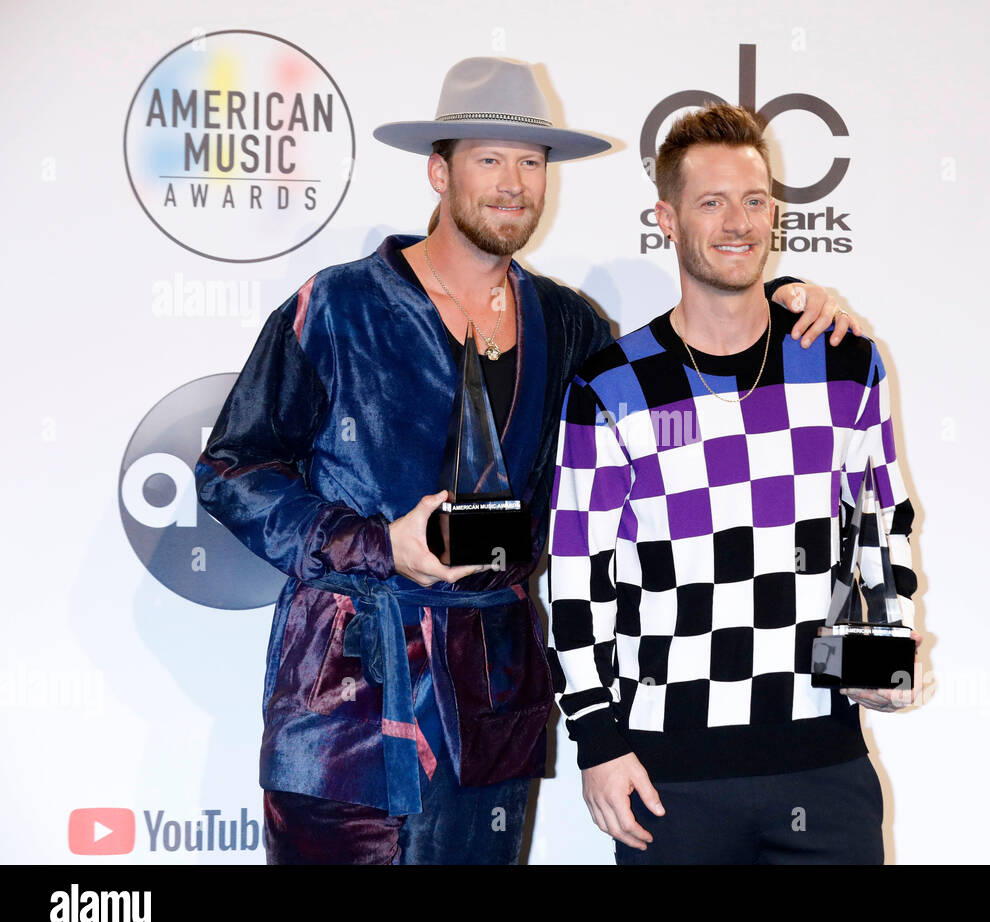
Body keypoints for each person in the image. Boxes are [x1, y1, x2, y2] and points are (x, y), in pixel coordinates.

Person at [195, 58, 859, 865]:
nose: (513, 184)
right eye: (489, 159)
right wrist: (377, 544)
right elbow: (229, 469)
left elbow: (671, 392)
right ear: (439, 171)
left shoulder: (570, 325)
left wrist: (784, 295)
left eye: (532, 162)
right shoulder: (339, 307)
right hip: (346, 709)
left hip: (493, 710)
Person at [548, 103, 921, 865]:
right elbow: (575, 576)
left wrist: (888, 648)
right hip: (667, 781)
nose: (737, 222)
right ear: (666, 217)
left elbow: (880, 524)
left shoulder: (845, 361)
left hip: (824, 765)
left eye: (754, 201)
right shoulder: (613, 383)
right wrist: (595, 737)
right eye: (710, 202)